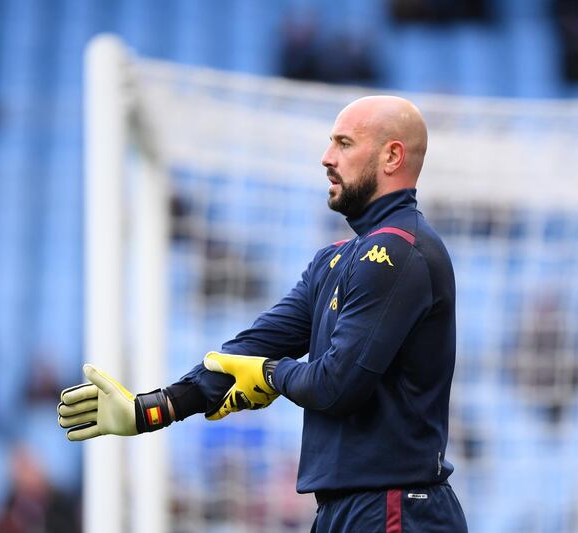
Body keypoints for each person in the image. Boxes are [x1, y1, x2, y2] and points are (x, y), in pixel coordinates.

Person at [58, 95, 468, 532]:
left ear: (392, 156)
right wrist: (154, 408)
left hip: (395, 510)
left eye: (344, 144)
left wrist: (271, 375)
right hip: (348, 510)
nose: (326, 158)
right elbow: (249, 350)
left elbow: (336, 385)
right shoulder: (333, 260)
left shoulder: (399, 252)